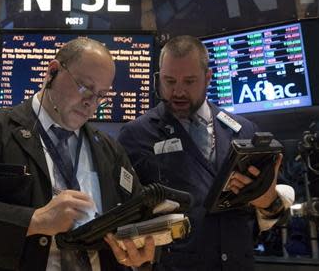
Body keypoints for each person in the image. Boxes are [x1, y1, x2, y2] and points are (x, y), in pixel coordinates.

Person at [0, 38, 155, 271]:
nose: (91, 104)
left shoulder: (110, 151)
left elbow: (137, 223)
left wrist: (141, 255)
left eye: (101, 96)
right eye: (85, 87)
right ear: (52, 71)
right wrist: (35, 220)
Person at [117, 35, 294, 271]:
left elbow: (278, 212)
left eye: (189, 81)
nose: (177, 91)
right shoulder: (136, 134)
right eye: (169, 81)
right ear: (158, 77)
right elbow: (122, 213)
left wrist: (268, 202)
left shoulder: (244, 130)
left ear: (208, 78)